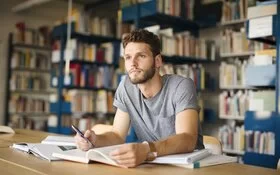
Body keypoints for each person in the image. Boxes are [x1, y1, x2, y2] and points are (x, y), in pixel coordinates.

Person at [75, 29, 204, 168]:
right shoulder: (126, 87)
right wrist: (95, 140)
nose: (133, 63)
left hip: (190, 167)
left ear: (157, 61)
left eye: (141, 56)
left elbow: (188, 139)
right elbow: (117, 135)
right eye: (128, 57)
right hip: (153, 165)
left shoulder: (181, 86)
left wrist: (147, 149)